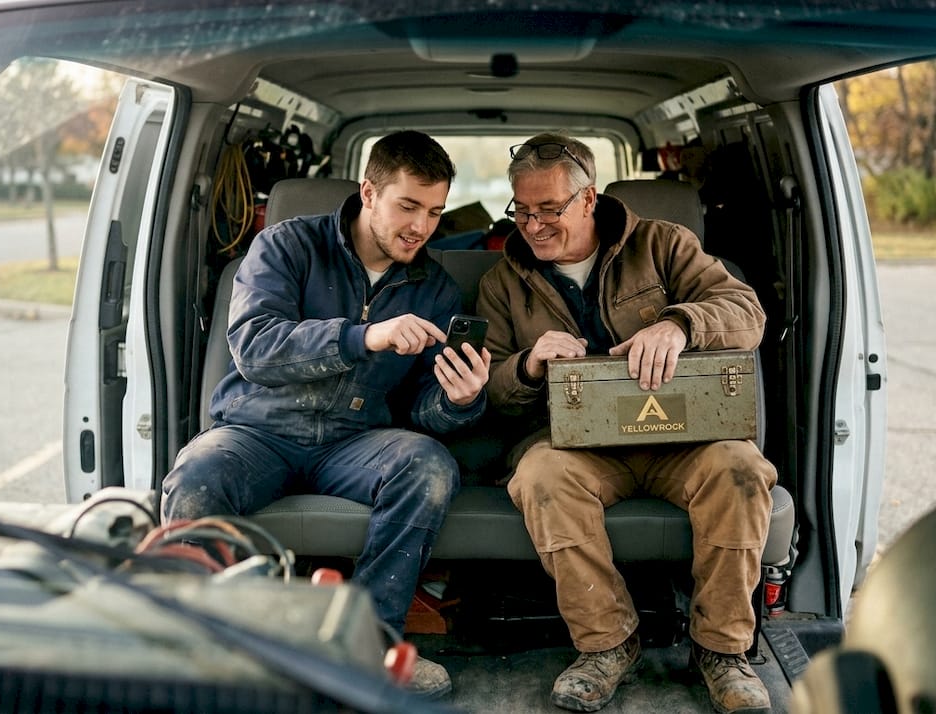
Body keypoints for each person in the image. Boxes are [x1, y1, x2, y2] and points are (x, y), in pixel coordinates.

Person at [161, 130, 491, 698]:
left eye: (435, 212)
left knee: (429, 466)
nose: (422, 227)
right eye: (407, 206)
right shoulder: (286, 247)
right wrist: (364, 337)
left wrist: (458, 400)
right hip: (256, 431)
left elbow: (421, 408)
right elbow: (255, 346)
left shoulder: (432, 286)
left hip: (355, 441)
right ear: (369, 192)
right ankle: (210, 648)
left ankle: (371, 644)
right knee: (197, 474)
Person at [475, 132, 777, 714]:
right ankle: (607, 645)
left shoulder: (665, 245)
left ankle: (722, 651)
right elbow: (488, 388)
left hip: (681, 439)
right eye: (521, 211)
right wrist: (530, 365)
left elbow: (747, 312)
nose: (532, 226)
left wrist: (681, 324)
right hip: (575, 447)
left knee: (740, 468)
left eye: (549, 210)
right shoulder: (502, 281)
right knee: (539, 476)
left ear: (588, 200)